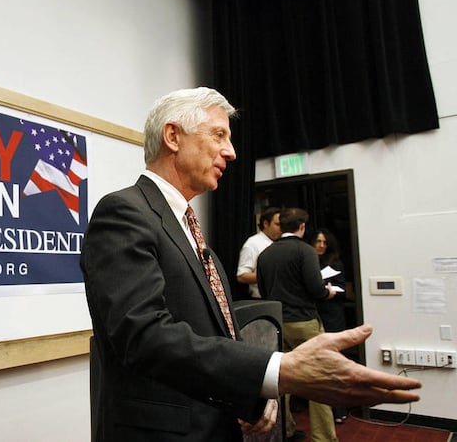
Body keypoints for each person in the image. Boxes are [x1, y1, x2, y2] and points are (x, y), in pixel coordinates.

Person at [80, 88, 420, 442]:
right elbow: (143, 335)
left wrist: (253, 390)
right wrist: (276, 370)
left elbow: (217, 333)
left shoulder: (187, 229)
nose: (231, 151)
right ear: (173, 136)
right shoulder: (124, 213)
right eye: (219, 135)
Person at [257, 208, 338, 441]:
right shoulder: (305, 251)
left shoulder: (265, 254)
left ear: (281, 226)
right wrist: (327, 293)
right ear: (302, 226)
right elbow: (315, 288)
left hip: (277, 323)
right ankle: (324, 438)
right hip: (304, 322)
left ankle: (286, 428)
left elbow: (263, 290)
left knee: (280, 380)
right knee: (318, 380)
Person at [311, 228, 350, 424]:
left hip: (333, 315)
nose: (321, 245)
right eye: (318, 241)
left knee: (335, 361)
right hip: (315, 314)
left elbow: (344, 291)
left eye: (324, 242)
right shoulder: (308, 262)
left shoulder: (335, 263)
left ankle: (339, 408)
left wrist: (330, 290)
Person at [237, 207, 282, 298]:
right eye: (277, 224)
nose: (281, 228)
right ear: (266, 223)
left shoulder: (280, 243)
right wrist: (271, 277)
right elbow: (242, 276)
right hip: (261, 299)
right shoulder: (253, 243)